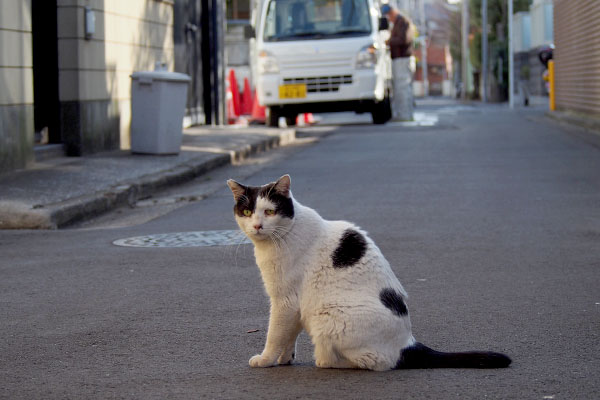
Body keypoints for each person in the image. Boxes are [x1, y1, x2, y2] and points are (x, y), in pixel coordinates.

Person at [381, 4, 415, 121]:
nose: (389, 18)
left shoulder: (403, 21)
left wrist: (388, 42)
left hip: (403, 58)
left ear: (393, 12)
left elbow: (404, 39)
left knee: (403, 87)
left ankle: (405, 115)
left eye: (389, 15)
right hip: (399, 58)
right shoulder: (397, 23)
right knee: (400, 87)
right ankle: (403, 114)